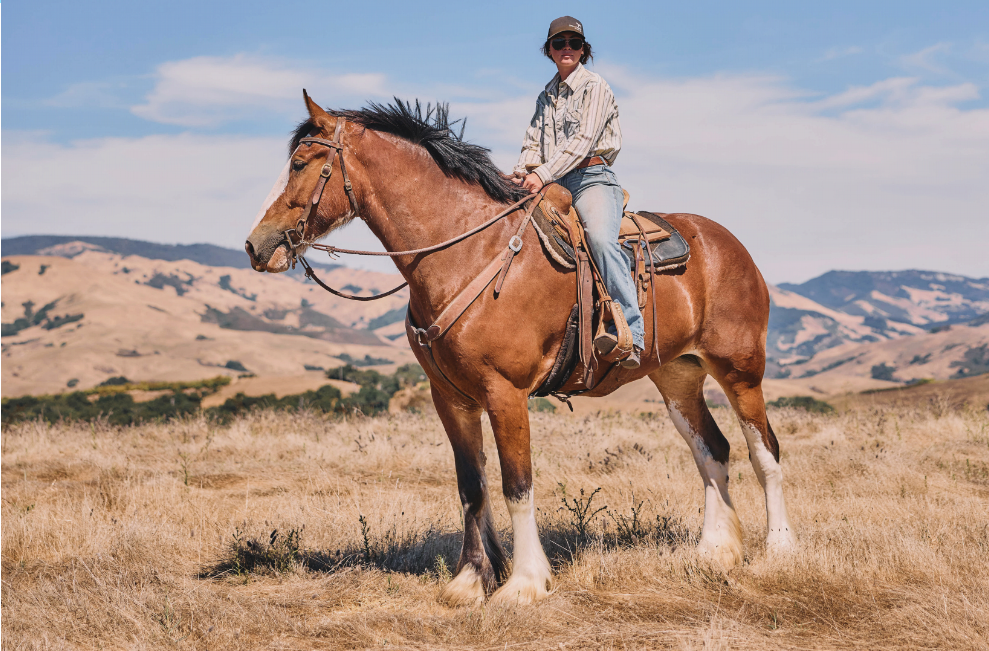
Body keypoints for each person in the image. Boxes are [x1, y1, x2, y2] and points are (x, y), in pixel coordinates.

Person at [512, 15, 644, 369]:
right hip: (552, 181)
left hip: (592, 178)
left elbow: (583, 140)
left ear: (584, 50)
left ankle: (630, 332)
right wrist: (521, 172)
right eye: (559, 43)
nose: (567, 48)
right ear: (549, 51)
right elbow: (532, 143)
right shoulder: (546, 96)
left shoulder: (595, 86)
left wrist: (540, 173)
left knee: (600, 240)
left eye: (574, 43)